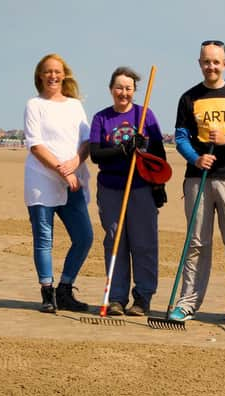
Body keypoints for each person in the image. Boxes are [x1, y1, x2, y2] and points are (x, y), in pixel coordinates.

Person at [168, 40, 225, 322]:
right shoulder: (189, 98)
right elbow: (180, 137)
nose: (212, 67)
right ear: (200, 63)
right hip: (198, 178)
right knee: (197, 243)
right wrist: (196, 158)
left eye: (216, 62)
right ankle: (187, 303)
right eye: (207, 61)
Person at [88, 66, 167, 316]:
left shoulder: (145, 116)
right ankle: (116, 298)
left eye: (128, 88)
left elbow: (159, 155)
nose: (124, 93)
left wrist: (159, 186)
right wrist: (123, 149)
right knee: (115, 241)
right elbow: (95, 153)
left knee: (144, 244)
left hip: (141, 187)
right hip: (111, 187)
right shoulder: (101, 118)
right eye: (119, 88)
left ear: (134, 91)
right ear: (111, 89)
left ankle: (142, 298)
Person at [24, 53, 93, 313]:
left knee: (84, 237)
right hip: (41, 181)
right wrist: (63, 170)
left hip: (72, 182)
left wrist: (75, 162)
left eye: (57, 71)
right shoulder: (34, 105)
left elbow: (86, 141)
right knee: (44, 238)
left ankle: (65, 289)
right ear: (40, 76)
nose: (53, 76)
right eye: (47, 71)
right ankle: (47, 292)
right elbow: (36, 145)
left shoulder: (75, 105)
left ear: (64, 75)